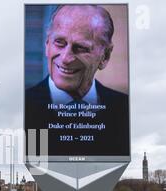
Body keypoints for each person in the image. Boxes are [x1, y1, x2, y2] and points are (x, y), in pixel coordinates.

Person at [25, 5, 129, 156]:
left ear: (105, 56)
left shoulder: (123, 109)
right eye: (59, 42)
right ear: (47, 44)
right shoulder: (25, 106)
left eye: (81, 47)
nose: (66, 58)